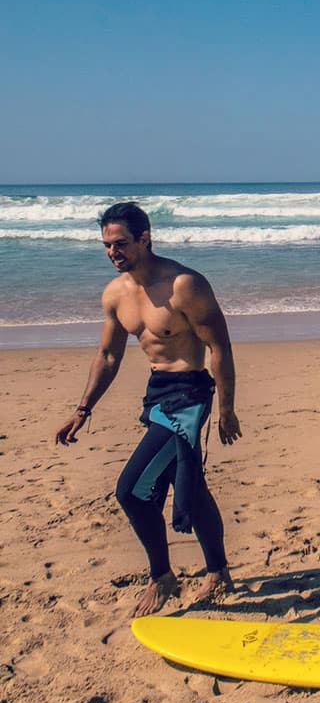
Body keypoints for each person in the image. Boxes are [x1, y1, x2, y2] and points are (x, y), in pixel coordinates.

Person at [55, 202, 242, 616]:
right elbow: (107, 356)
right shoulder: (116, 294)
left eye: (120, 243)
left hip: (190, 395)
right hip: (157, 393)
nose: (112, 252)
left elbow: (219, 347)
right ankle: (218, 572)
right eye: (106, 244)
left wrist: (225, 408)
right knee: (190, 488)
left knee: (132, 490)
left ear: (145, 238)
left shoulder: (184, 285)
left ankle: (163, 577)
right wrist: (82, 410)